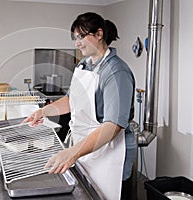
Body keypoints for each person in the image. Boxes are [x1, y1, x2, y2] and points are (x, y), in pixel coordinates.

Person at [23, 12, 137, 200]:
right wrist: (43, 112)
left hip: (109, 153)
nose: (77, 43)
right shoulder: (85, 64)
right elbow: (71, 100)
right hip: (86, 147)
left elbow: (112, 127)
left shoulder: (116, 72)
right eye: (75, 38)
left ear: (99, 34)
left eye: (81, 36)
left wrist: (73, 152)